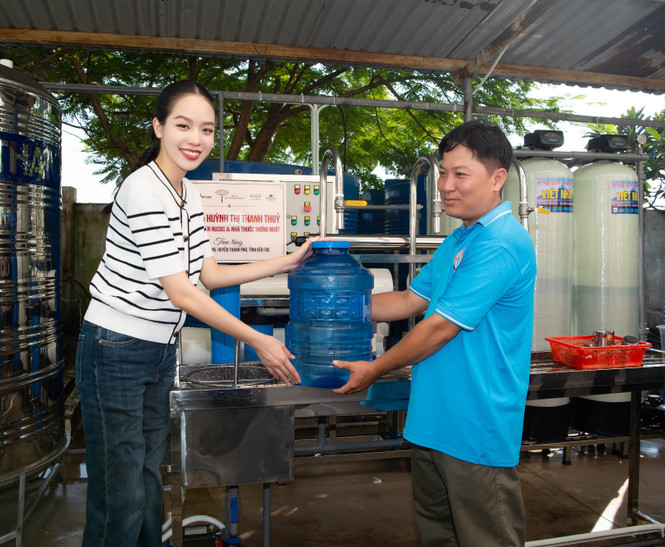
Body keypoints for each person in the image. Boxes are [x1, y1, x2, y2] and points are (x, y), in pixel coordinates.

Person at [76, 80, 313, 547]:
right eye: (183, 125)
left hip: (159, 350)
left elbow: (209, 272)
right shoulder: (143, 188)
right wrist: (261, 339)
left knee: (148, 477)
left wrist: (285, 261)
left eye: (206, 130)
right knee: (119, 490)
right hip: (114, 348)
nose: (196, 139)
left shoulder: (189, 193)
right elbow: (183, 292)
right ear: (158, 126)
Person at [334, 120, 536, 546]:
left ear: (498, 178)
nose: (445, 185)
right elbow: (408, 301)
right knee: (438, 537)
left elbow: (439, 328)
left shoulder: (501, 242)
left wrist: (374, 369)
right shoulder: (459, 239)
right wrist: (330, 306)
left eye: (460, 174)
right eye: (443, 172)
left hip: (475, 427)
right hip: (433, 422)